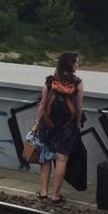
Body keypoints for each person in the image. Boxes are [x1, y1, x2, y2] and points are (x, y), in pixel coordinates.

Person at [33, 51, 83, 203]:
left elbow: (42, 104)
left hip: (47, 124)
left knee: (46, 158)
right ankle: (55, 196)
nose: (78, 65)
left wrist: (36, 123)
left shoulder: (50, 80)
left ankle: (43, 192)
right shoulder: (77, 82)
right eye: (76, 62)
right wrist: (78, 122)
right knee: (61, 160)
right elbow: (79, 107)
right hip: (66, 127)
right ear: (70, 64)